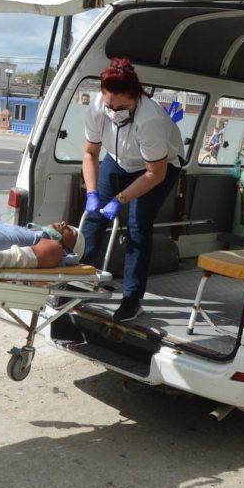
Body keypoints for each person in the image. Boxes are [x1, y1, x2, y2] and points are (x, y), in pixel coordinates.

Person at [80, 58, 185, 322]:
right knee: (93, 219)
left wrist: (120, 199)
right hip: (116, 160)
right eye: (110, 106)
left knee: (137, 227)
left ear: (136, 96)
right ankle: (77, 283)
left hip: (157, 167)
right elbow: (90, 153)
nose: (114, 112)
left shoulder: (150, 120)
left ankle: (132, 298)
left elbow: (155, 173)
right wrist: (92, 193)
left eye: (122, 107)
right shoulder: (97, 107)